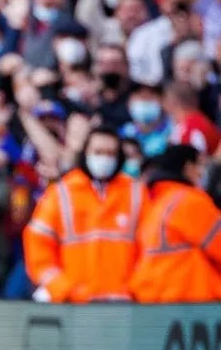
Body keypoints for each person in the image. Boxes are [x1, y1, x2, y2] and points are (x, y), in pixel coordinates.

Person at [22, 127, 145, 303]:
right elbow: (37, 247)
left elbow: (149, 248)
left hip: (125, 304)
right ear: (85, 153)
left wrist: (135, 289)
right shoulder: (62, 193)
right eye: (98, 152)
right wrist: (63, 288)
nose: (104, 158)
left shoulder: (136, 193)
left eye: (110, 153)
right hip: (74, 304)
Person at [130, 145, 221, 303]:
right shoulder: (190, 201)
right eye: (200, 165)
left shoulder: (158, 204)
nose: (202, 172)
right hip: (193, 302)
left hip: (156, 301)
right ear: (188, 168)